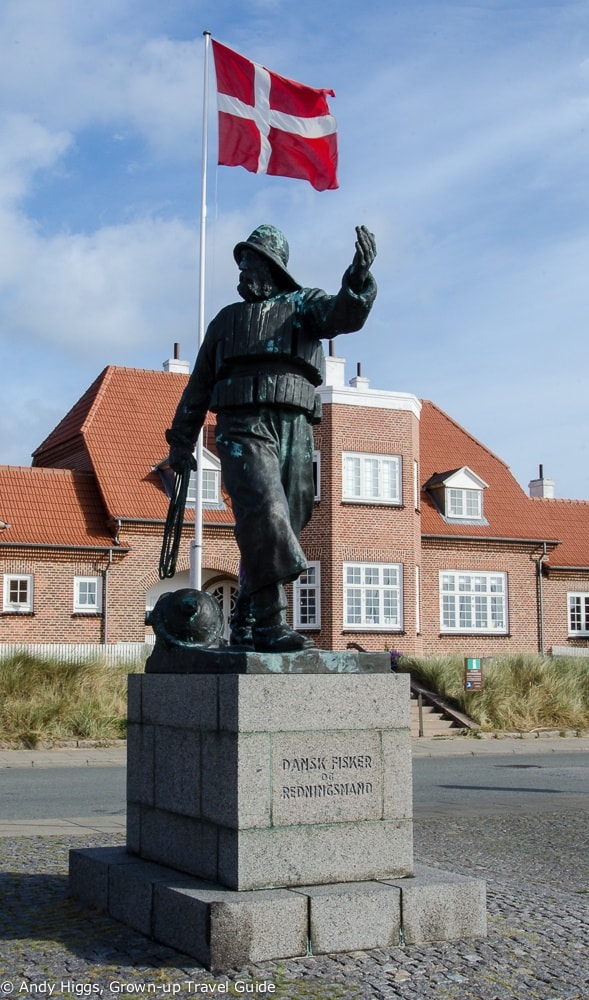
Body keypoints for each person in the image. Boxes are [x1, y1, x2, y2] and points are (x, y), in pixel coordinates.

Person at [166, 223, 377, 652]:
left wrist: (357, 279)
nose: (242, 272)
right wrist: (181, 440)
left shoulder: (302, 305)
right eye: (240, 264)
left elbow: (343, 314)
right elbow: (200, 383)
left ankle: (244, 615)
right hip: (241, 424)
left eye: (250, 263)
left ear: (271, 267)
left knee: (291, 519)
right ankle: (269, 623)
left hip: (295, 424)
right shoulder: (225, 320)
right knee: (267, 512)